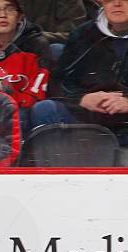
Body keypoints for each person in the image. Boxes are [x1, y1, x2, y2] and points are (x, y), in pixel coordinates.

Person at [30, 0, 128, 146]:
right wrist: (81, 99)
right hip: (89, 114)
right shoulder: (83, 34)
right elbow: (58, 82)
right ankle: (60, 167)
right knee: (45, 109)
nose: (117, 3)